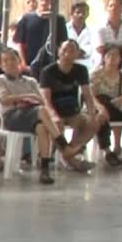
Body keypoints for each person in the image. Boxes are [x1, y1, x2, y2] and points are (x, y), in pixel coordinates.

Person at [0, 46, 61, 184]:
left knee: (41, 127)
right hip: (11, 117)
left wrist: (27, 100)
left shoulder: (31, 81)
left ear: (19, 60)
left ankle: (45, 169)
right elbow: (4, 100)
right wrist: (27, 96)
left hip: (31, 113)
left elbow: (41, 100)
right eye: (5, 61)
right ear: (1, 65)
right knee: (41, 111)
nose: (10, 63)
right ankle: (63, 145)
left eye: (13, 59)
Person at [38, 39, 99, 173]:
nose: (67, 54)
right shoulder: (48, 71)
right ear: (59, 51)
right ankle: (73, 160)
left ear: (77, 54)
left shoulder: (81, 70)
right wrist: (54, 115)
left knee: (93, 123)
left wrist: (92, 115)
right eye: (64, 50)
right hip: (54, 111)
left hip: (73, 112)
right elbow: (45, 99)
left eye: (71, 51)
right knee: (57, 125)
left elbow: (87, 95)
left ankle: (70, 149)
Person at [89, 44, 122, 168]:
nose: (112, 58)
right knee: (102, 107)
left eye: (116, 55)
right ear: (104, 58)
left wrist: (121, 99)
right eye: (109, 55)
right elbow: (90, 95)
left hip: (116, 107)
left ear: (121, 59)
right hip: (97, 107)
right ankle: (108, 151)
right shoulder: (96, 74)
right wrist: (101, 106)